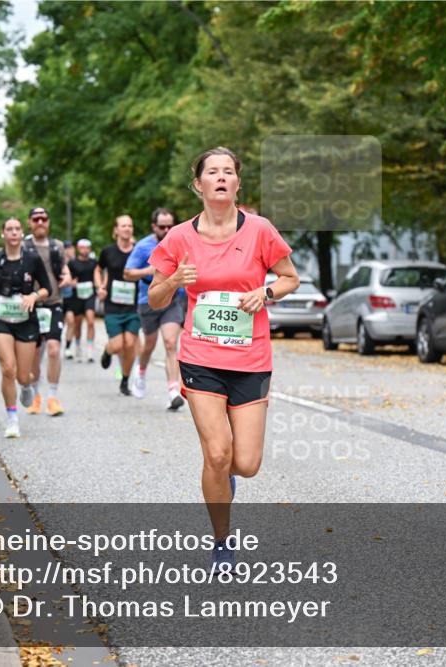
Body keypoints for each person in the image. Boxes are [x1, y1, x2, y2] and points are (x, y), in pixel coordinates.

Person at [147, 147, 300, 569]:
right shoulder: (178, 237)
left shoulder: (260, 230)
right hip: (200, 358)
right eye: (212, 172)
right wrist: (176, 278)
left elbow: (291, 278)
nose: (220, 177)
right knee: (216, 453)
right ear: (198, 184)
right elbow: (156, 297)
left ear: (236, 183)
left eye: (228, 172)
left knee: (245, 464)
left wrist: (264, 292)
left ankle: (225, 476)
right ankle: (222, 542)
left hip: (251, 357)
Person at [0, 218, 52, 439]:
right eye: (9, 229)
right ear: (3, 234)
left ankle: (27, 386)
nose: (13, 232)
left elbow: (47, 288)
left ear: (22, 233)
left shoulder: (32, 259)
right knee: (8, 369)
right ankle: (12, 420)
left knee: (22, 375)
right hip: (0, 319)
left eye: (17, 229)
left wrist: (34, 295)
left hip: (26, 320)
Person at [125, 208, 186, 409]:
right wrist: (149, 270)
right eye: (162, 226)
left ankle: (173, 391)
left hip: (173, 300)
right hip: (148, 300)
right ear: (154, 227)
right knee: (149, 344)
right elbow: (127, 273)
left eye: (170, 225)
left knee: (170, 343)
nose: (167, 229)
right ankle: (141, 372)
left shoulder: (180, 244)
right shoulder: (143, 246)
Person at [21, 206, 71, 417]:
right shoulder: (23, 246)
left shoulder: (57, 246)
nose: (40, 222)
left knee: (53, 348)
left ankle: (52, 396)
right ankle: (35, 394)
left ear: (48, 222)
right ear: (30, 222)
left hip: (53, 302)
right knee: (33, 353)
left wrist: (67, 278)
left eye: (43, 219)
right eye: (36, 219)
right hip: (31, 304)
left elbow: (65, 270)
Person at [96, 216, 141, 394]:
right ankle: (107, 351)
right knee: (117, 345)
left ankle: (125, 380)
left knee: (130, 344)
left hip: (133, 306)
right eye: (123, 226)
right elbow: (98, 269)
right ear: (116, 230)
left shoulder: (138, 251)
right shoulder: (107, 251)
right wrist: (99, 286)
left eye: (130, 225)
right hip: (113, 306)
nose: (127, 228)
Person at [61, 241, 79, 360]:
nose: (73, 251)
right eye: (70, 248)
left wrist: (73, 283)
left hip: (70, 298)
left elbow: (77, 278)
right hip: (58, 298)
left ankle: (67, 347)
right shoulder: (58, 262)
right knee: (59, 324)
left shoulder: (74, 263)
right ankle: (54, 343)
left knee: (71, 322)